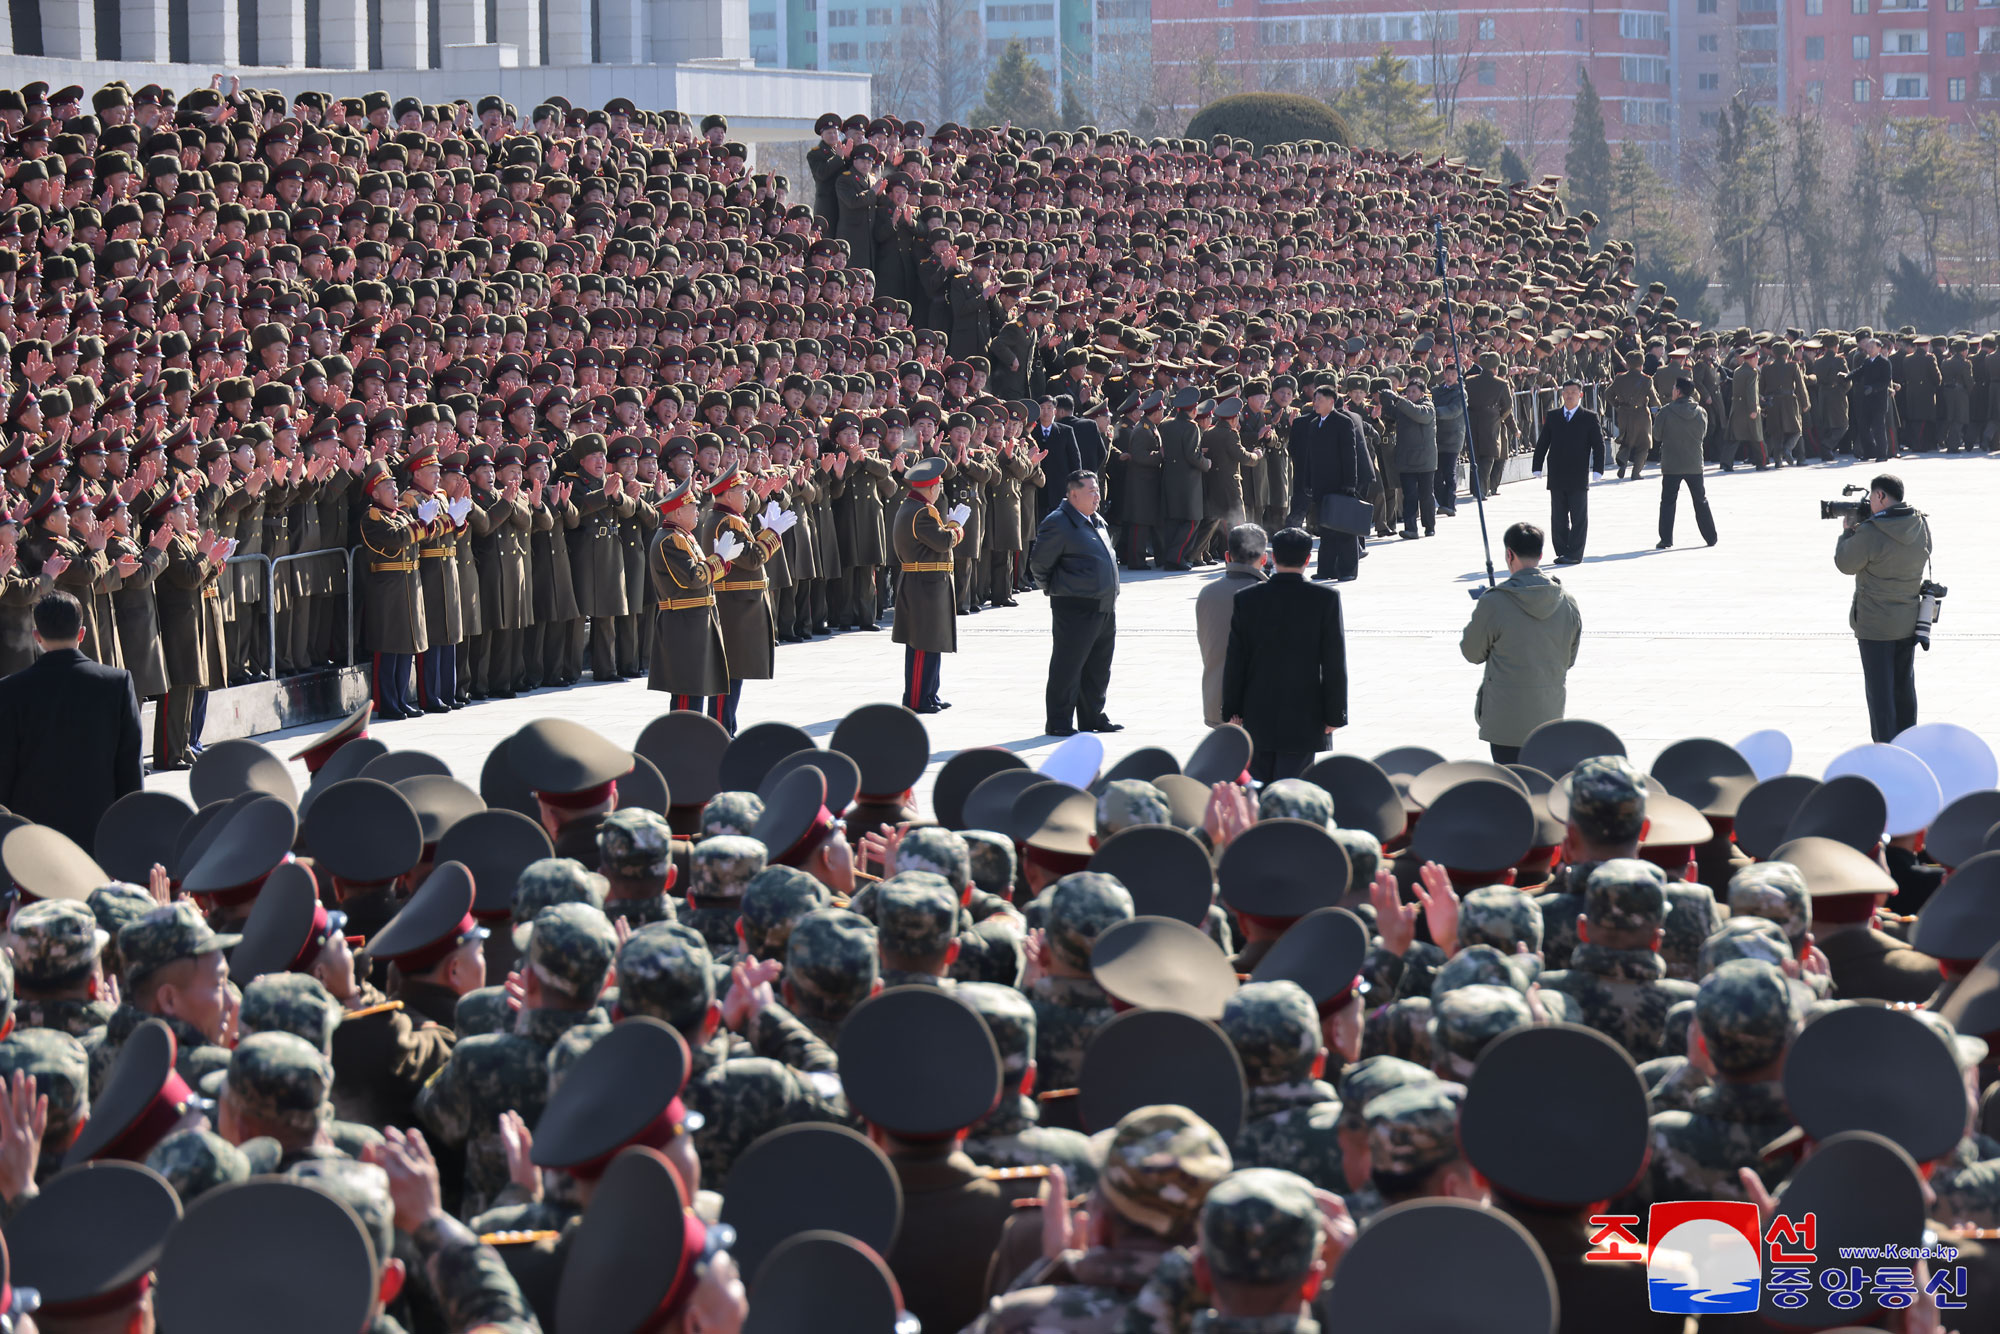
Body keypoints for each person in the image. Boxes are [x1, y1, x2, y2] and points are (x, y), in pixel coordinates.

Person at [0, 591, 143, 847]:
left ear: (37, 637)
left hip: (32, 832)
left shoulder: (10, 690)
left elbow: (4, 768)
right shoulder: (116, 683)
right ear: (82, 633)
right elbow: (129, 766)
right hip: (98, 827)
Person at [1221, 527, 1347, 782]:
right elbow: (1334, 661)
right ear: (1308, 559)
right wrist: (1335, 713)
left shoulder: (1246, 599)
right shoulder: (1325, 598)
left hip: (1257, 712)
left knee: (1258, 790)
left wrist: (1231, 711)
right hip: (1306, 714)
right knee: (1293, 788)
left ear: (1273, 558)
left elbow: (1236, 660)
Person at [1459, 523, 1583, 765]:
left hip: (1505, 721)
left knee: (1512, 789)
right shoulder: (1567, 601)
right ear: (1541, 555)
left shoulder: (1494, 602)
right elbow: (1569, 659)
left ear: (1509, 554)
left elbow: (1471, 652)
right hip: (1549, 716)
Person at [1833, 473, 1932, 742]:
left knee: (1880, 696)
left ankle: (1885, 752)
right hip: (1909, 621)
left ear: (1880, 496)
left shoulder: (1871, 532)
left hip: (1875, 627)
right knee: (1903, 689)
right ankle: (1909, 744)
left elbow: (1845, 563)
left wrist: (1847, 531)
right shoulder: (1920, 523)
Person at [1029, 470, 1121, 737]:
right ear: (1073, 494)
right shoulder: (1059, 522)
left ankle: (1093, 716)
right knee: (1068, 666)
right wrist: (1058, 589)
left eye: (1097, 490)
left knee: (1098, 666)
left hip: (1103, 605)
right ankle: (1059, 721)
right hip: (1075, 607)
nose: (1097, 495)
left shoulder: (1095, 520)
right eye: (1091, 491)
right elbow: (1039, 565)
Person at [892, 455, 964, 714]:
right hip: (924, 585)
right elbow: (943, 542)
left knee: (932, 642)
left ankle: (929, 693)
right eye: (938, 488)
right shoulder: (921, 512)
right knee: (923, 644)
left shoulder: (914, 508)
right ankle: (916, 699)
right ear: (932, 488)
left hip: (928, 583)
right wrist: (957, 527)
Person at [1289, 383, 1374, 582]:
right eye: (1315, 399)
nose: (1315, 403)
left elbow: (1350, 455)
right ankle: (1326, 569)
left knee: (1344, 529)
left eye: (1319, 399)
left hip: (1339, 483)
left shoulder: (1343, 422)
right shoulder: (1314, 424)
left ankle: (1348, 569)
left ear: (1331, 401)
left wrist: (1350, 483)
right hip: (1321, 484)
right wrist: (1308, 480)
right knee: (1325, 528)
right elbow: (1310, 456)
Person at [1196, 523, 1267, 728]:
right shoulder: (1268, 594)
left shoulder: (1208, 593)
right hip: (1260, 702)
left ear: (1227, 556)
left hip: (1216, 697)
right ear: (1263, 559)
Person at [1530, 380, 1604, 565]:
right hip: (1557, 472)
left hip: (1578, 473)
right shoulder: (1553, 416)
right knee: (1558, 516)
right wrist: (1537, 465)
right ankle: (1562, 551)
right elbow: (1543, 442)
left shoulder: (1589, 417)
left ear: (1580, 394)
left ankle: (1575, 553)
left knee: (1578, 515)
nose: (1569, 395)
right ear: (1562, 394)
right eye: (1566, 392)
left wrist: (1598, 469)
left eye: (1574, 392)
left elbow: (1598, 444)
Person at [1655, 377, 1717, 550]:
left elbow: (1657, 435)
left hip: (1671, 463)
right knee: (1700, 500)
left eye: (1674, 387)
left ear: (1678, 391)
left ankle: (1666, 539)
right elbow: (1703, 433)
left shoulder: (1666, 412)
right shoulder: (1700, 412)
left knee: (1668, 501)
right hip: (1694, 463)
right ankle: (1710, 537)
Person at [1854, 336, 1896, 462]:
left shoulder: (1884, 362)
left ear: (1879, 348)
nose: (1869, 349)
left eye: (1872, 347)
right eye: (1868, 346)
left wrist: (1873, 388)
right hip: (1867, 400)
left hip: (1879, 400)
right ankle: (1869, 452)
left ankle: (1882, 454)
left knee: (1879, 428)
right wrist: (1847, 376)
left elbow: (1885, 381)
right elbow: (1859, 372)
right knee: (1863, 427)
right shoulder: (1867, 362)